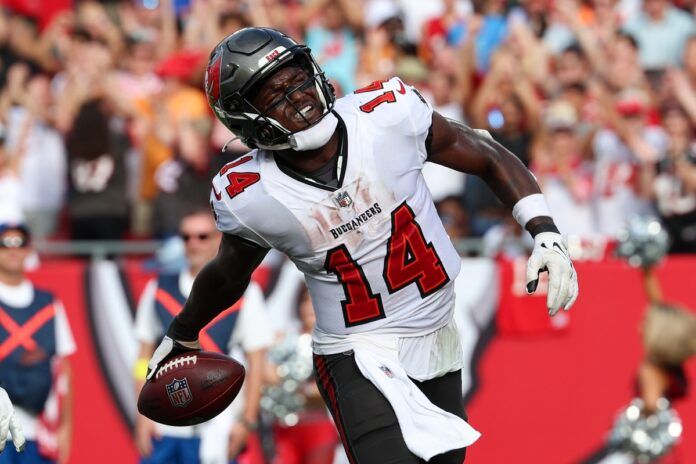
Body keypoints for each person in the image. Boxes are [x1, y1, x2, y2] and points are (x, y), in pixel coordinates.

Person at [146, 28, 579, 464]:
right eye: (275, 96)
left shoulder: (386, 116)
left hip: (437, 334)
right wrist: (183, 330)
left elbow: (483, 153)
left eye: (297, 78)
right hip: (356, 353)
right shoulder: (252, 194)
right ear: (246, 119)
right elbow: (228, 273)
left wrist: (544, 230)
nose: (299, 97)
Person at [133, 209, 273, 464]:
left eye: (202, 236)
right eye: (185, 237)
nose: (193, 243)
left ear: (219, 239)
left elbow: (257, 363)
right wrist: (142, 415)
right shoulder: (157, 289)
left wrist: (246, 421)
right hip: (166, 422)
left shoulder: (245, 293)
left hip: (219, 425)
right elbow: (143, 357)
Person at [0, 223, 75, 464]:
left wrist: (65, 427)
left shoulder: (48, 304)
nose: (13, 250)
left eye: (20, 243)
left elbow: (64, 370)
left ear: (29, 250)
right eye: (5, 243)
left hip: (37, 432)